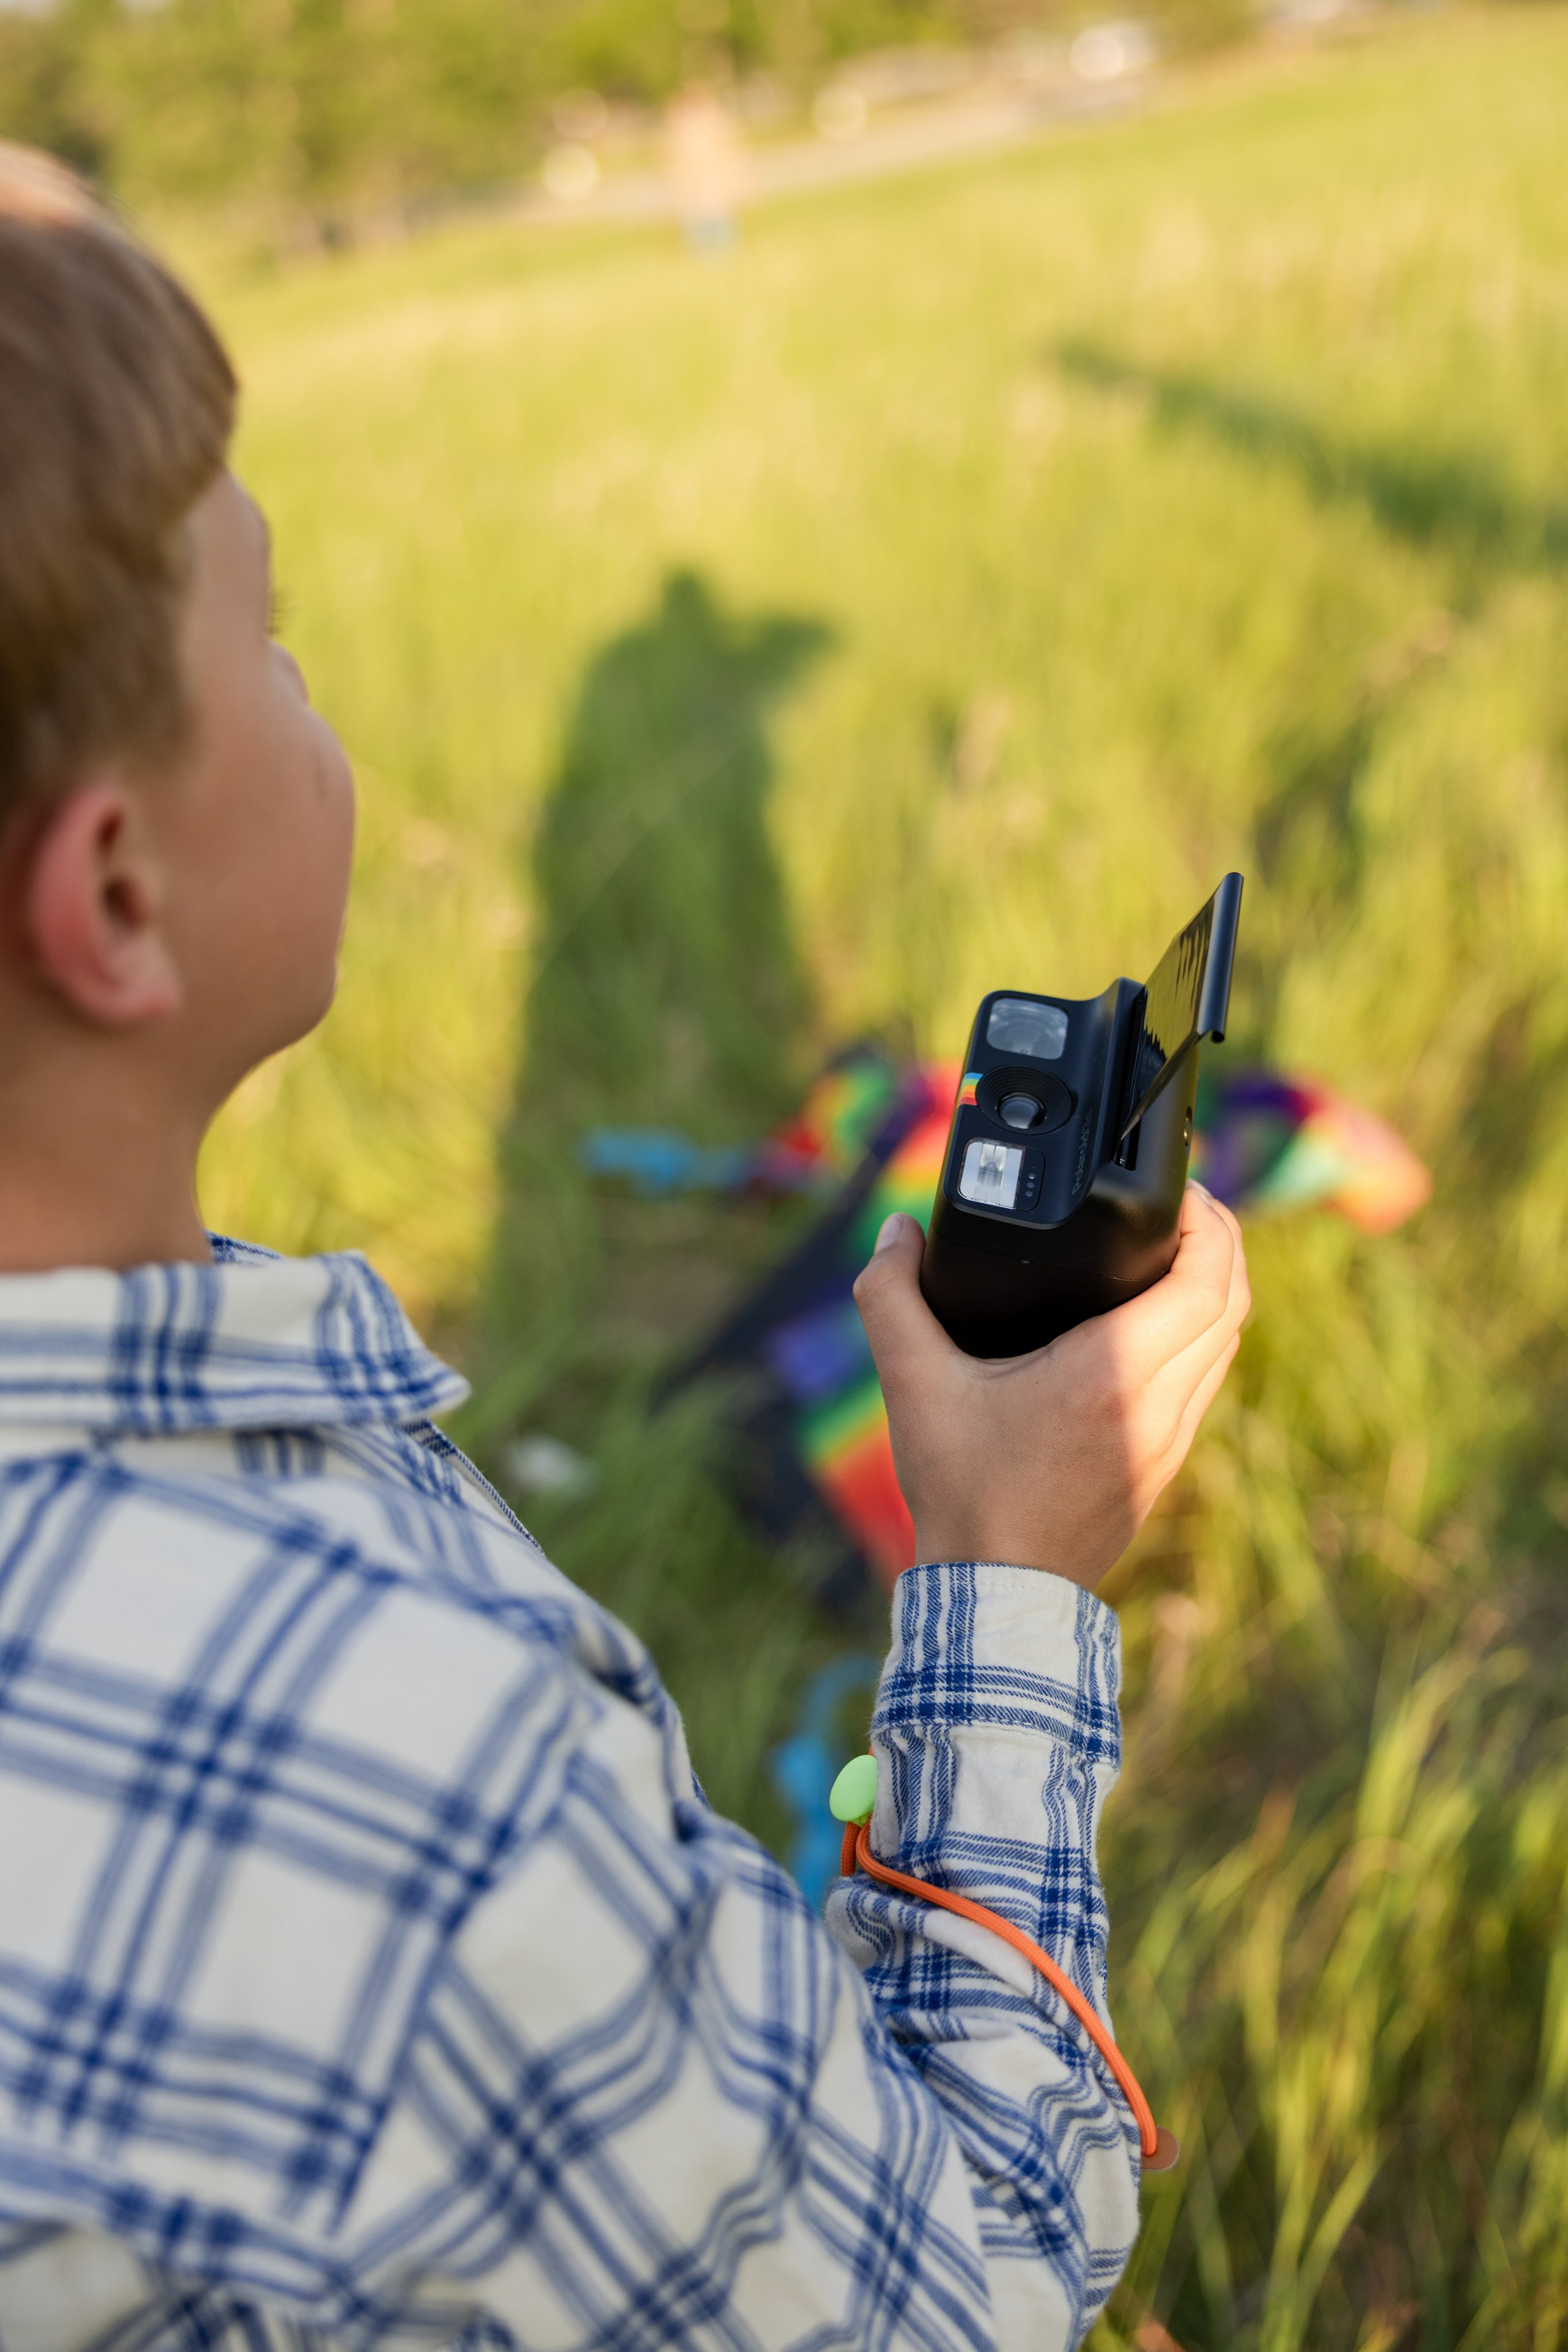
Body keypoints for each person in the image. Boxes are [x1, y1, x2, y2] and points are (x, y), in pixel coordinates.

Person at [0, 145, 1250, 2352]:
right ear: (115, 898)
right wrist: (1011, 1575)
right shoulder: (407, 1784)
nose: (310, 685)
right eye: (265, 638)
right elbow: (957, 2294)